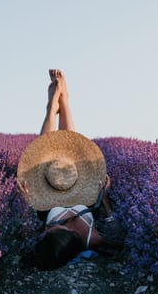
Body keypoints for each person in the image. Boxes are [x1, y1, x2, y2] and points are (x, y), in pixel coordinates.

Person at [17, 69, 122, 271]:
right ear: (66, 234)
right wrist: (105, 199)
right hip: (79, 188)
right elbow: (117, 239)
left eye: (45, 233)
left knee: (45, 156)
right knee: (69, 154)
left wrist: (25, 204)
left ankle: (51, 107)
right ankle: (64, 102)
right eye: (51, 231)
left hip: (48, 192)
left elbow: (27, 233)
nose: (46, 230)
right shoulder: (91, 238)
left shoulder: (45, 238)